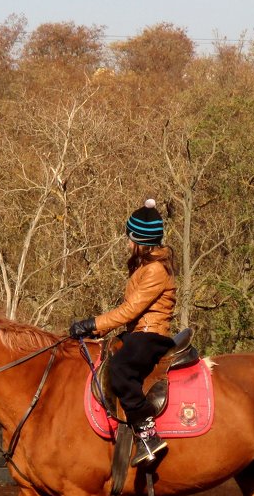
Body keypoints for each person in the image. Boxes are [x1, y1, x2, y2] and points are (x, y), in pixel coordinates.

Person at [70, 199, 177, 465]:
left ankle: (147, 433)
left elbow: (130, 311)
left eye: (131, 239)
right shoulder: (143, 267)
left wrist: (92, 324)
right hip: (138, 332)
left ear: (142, 240)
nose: (128, 244)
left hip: (151, 335)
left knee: (119, 369)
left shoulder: (154, 270)